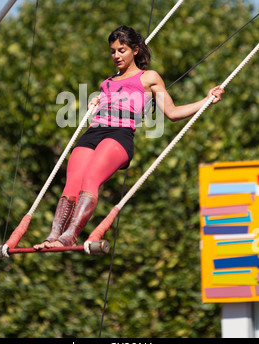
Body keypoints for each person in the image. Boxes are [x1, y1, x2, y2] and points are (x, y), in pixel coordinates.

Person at [34, 25, 224, 250]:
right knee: (72, 184)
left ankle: (69, 237)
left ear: (135, 50)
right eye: (113, 51)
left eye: (121, 50)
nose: (116, 56)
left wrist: (206, 100)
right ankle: (54, 236)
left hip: (119, 135)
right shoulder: (106, 83)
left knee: (90, 180)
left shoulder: (149, 78)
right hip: (93, 132)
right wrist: (95, 104)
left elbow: (172, 113)